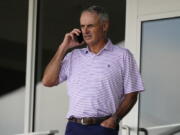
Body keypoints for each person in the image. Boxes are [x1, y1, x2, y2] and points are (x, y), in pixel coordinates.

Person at [42, 5, 144, 135]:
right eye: (82, 26)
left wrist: (114, 119)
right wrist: (63, 47)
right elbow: (47, 81)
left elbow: (132, 94)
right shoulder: (73, 56)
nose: (85, 31)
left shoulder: (122, 56)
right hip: (74, 128)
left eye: (90, 26)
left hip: (103, 128)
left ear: (104, 26)